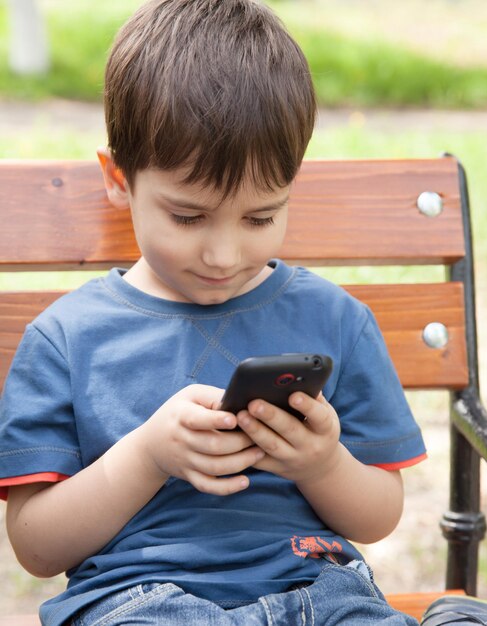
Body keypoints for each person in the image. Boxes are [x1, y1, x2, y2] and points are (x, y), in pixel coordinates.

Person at [0, 1, 427, 624]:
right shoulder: (67, 340)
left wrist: (322, 463)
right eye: (188, 216)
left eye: (260, 218)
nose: (224, 255)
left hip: (319, 589)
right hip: (140, 599)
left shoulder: (337, 321)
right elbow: (36, 546)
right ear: (119, 177)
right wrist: (147, 456)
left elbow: (379, 516)